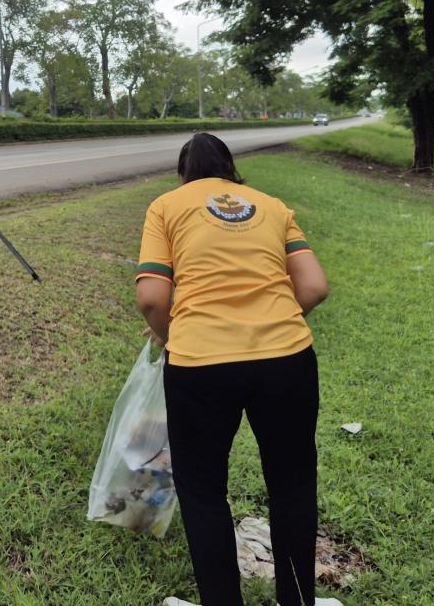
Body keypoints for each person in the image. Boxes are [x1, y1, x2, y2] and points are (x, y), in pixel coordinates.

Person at [135, 133, 329, 606]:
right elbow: (315, 287)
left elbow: (152, 298)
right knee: (294, 486)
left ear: (184, 175)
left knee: (203, 494)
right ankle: (299, 600)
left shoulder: (167, 206)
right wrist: (271, 320)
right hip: (287, 359)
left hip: (201, 363)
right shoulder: (272, 206)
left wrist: (169, 335)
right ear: (231, 171)